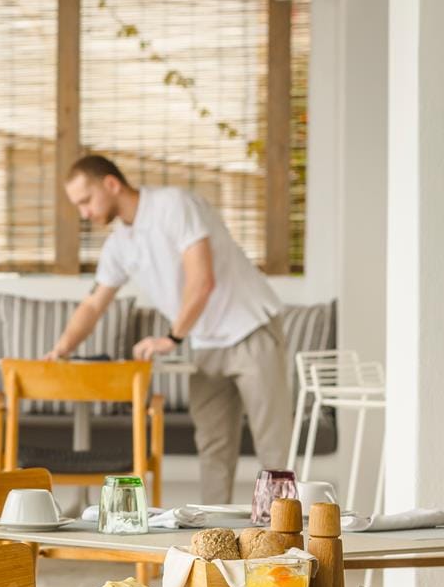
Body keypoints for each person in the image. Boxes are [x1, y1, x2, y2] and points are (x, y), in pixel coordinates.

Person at [46, 154, 291, 504]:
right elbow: (93, 303)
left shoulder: (173, 206)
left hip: (250, 327)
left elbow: (202, 280)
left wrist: (172, 337)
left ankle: (279, 542)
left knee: (273, 449)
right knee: (213, 449)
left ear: (111, 184)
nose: (84, 213)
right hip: (206, 342)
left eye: (85, 201)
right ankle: (213, 543)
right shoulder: (119, 244)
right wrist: (62, 348)